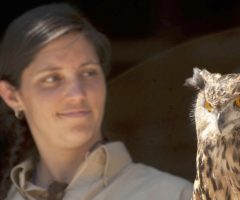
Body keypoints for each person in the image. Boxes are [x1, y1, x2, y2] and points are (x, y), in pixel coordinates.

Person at [0, 3, 193, 200]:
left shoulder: (174, 195)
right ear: (12, 96)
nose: (77, 93)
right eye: (52, 78)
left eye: (88, 72)